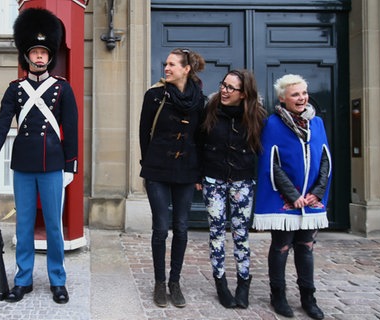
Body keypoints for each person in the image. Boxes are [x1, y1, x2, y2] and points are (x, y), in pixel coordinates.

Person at [0, 8, 78, 304]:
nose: (40, 57)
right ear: (26, 56)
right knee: (23, 227)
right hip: (23, 166)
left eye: (44, 52)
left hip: (52, 166)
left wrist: (71, 165)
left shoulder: (62, 88)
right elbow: (1, 122)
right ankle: (23, 279)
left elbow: (70, 128)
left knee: (55, 227)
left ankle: (58, 279)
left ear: (50, 56)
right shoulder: (15, 90)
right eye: (34, 52)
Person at [253, 74, 331, 319]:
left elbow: (326, 159)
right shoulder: (272, 124)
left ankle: (309, 297)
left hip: (311, 200)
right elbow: (270, 163)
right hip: (285, 200)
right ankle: (278, 295)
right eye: (295, 94)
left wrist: (316, 193)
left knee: (306, 247)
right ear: (283, 98)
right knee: (282, 245)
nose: (301, 98)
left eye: (304, 93)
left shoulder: (316, 123)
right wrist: (293, 194)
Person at [139, 48, 206, 308]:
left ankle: (174, 282)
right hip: (157, 169)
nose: (166, 68)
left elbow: (200, 138)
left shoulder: (199, 99)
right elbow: (144, 133)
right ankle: (158, 282)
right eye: (165, 64)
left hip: (187, 170)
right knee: (160, 227)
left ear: (186, 69)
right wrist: (149, 164)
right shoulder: (154, 96)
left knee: (181, 227)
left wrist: (199, 172)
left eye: (172, 65)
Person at [200, 69, 266, 309]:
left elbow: (264, 150)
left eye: (231, 88)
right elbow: (199, 142)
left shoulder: (257, 116)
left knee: (241, 235)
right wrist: (199, 174)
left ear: (244, 93)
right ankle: (221, 284)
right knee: (216, 233)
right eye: (223, 85)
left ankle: (243, 283)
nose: (224, 91)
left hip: (242, 181)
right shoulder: (210, 110)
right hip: (213, 180)